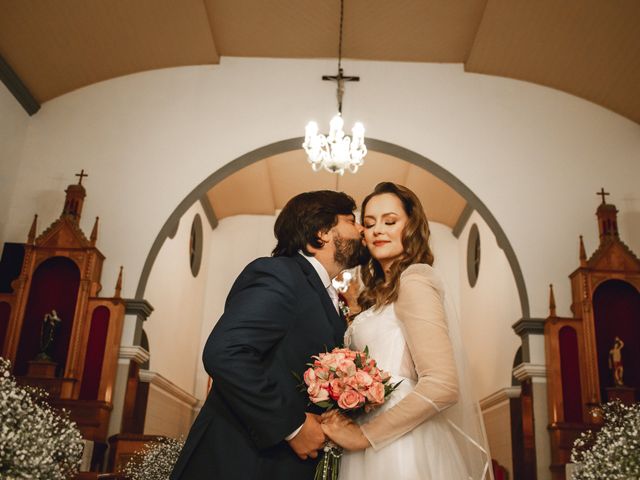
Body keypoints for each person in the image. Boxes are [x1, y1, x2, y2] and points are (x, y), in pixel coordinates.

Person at [170, 190, 366, 480]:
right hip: (240, 463)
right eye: (351, 221)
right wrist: (294, 427)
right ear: (321, 234)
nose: (362, 229)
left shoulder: (328, 296)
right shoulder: (281, 274)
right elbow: (226, 352)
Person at [321, 182, 492, 480]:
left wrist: (364, 436)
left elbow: (442, 384)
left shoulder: (415, 280)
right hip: (370, 437)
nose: (377, 231)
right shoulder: (377, 295)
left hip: (400, 443)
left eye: (390, 221)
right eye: (370, 224)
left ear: (411, 226)